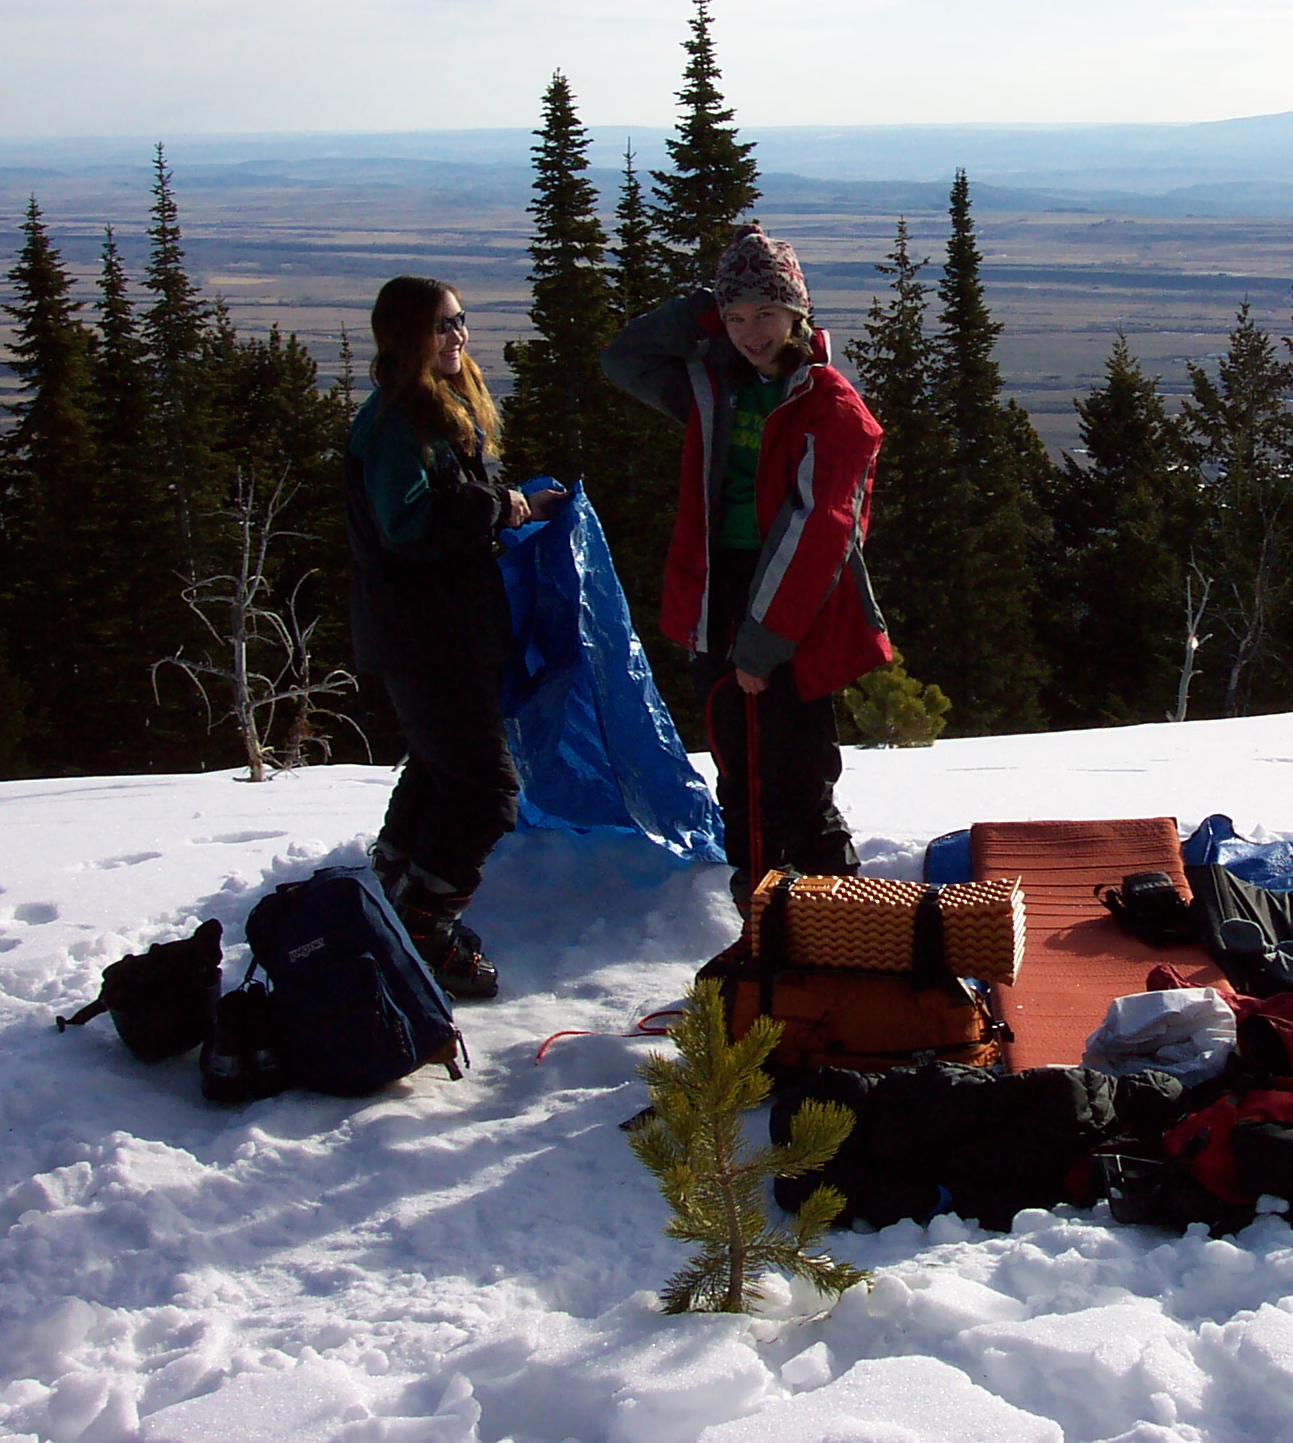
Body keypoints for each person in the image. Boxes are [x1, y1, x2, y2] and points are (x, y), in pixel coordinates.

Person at [601, 223, 891, 895]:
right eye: (735, 317)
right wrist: (706, 305)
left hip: (793, 597)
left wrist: (762, 644)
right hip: (715, 586)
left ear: (797, 313)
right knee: (735, 752)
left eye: (766, 313)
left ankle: (830, 894)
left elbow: (818, 530)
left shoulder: (833, 407)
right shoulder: (715, 388)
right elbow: (624, 359)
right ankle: (760, 900)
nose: (751, 331)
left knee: (798, 753)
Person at [345, 275, 565, 999]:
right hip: (423, 634)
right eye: (443, 325)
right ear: (408, 337)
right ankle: (424, 924)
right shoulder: (394, 425)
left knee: (438, 767)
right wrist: (501, 506)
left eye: (461, 321)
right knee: (484, 792)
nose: (458, 335)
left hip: (443, 632)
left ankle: (392, 890)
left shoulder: (436, 414)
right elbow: (408, 524)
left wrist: (514, 511)